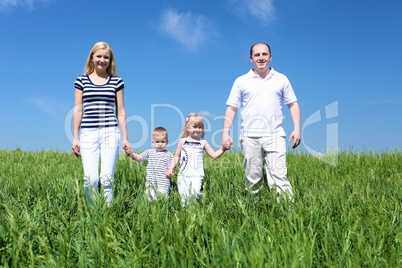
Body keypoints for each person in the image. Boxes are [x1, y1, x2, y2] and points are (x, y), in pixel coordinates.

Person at [222, 42, 301, 202]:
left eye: (264, 54)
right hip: (250, 137)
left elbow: (293, 104)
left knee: (279, 177)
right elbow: (231, 109)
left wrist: (297, 128)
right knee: (252, 179)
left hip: (275, 135)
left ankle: (288, 215)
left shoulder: (281, 79)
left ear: (270, 57)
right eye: (257, 55)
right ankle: (254, 214)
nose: (261, 58)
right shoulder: (241, 81)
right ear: (251, 59)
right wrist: (225, 133)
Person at [72, 41, 131, 208]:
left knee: (106, 178)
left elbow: (120, 110)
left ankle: (107, 215)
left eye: (106, 57)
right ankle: (93, 213)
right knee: (91, 179)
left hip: (110, 132)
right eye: (98, 56)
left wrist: (125, 137)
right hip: (88, 134)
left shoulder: (116, 82)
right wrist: (75, 137)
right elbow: (78, 110)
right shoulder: (81, 80)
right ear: (92, 58)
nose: (102, 60)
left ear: (110, 60)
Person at [166, 113, 227, 206]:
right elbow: (176, 156)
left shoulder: (203, 143)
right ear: (187, 127)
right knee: (184, 197)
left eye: (199, 127)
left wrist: (223, 149)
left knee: (195, 194)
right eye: (194, 127)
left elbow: (214, 155)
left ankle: (195, 213)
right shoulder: (182, 141)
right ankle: (185, 215)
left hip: (197, 175)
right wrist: (171, 169)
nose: (197, 129)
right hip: (183, 175)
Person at [126, 127, 173, 201]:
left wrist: (171, 173)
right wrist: (131, 154)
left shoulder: (169, 155)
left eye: (162, 142)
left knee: (162, 204)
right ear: (153, 142)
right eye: (157, 142)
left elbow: (172, 169)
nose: (160, 144)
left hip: (164, 186)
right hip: (150, 186)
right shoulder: (149, 152)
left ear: (167, 141)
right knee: (150, 203)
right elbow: (139, 157)